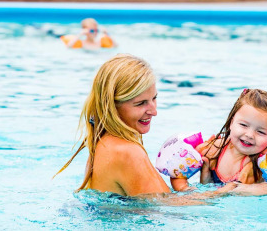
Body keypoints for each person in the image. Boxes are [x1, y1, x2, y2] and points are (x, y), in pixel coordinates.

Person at [55, 54, 238, 201]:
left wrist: (204, 177)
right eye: (141, 103)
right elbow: (169, 210)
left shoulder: (102, 140)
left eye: (154, 98)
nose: (154, 111)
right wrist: (224, 191)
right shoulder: (126, 152)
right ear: (112, 106)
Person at [169, 89, 267, 196]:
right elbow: (178, 173)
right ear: (231, 122)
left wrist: (247, 189)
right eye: (243, 125)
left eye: (261, 132)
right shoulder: (214, 149)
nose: (249, 135)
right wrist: (186, 190)